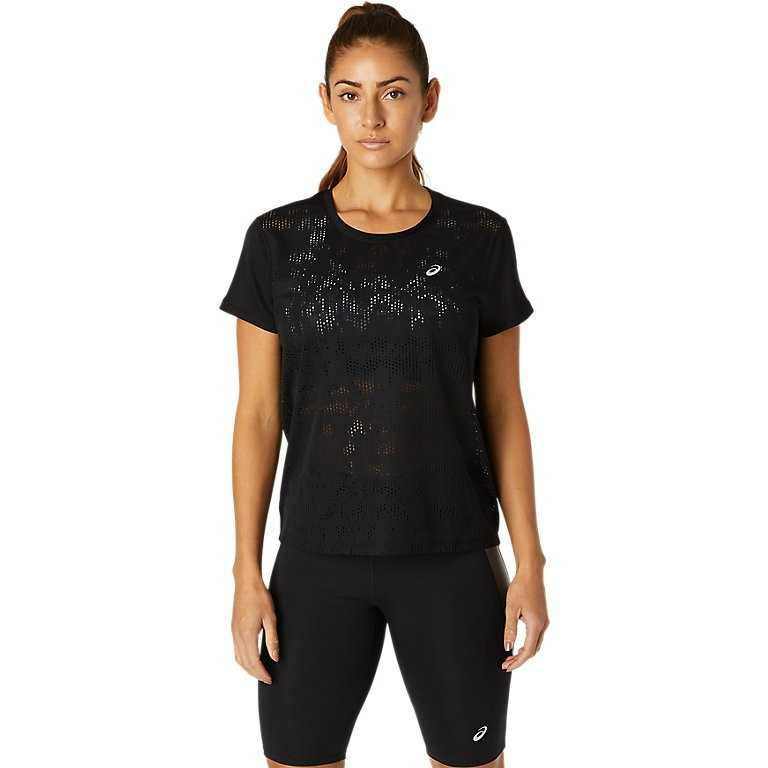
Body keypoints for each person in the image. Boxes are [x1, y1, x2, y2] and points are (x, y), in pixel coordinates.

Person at [219, 4, 549, 767]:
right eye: (351, 93)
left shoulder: (478, 239)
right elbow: (257, 416)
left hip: (453, 560)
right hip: (315, 565)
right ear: (325, 101)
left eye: (393, 92)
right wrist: (245, 571)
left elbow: (503, 409)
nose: (371, 116)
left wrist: (530, 563)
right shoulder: (277, 243)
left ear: (429, 99)